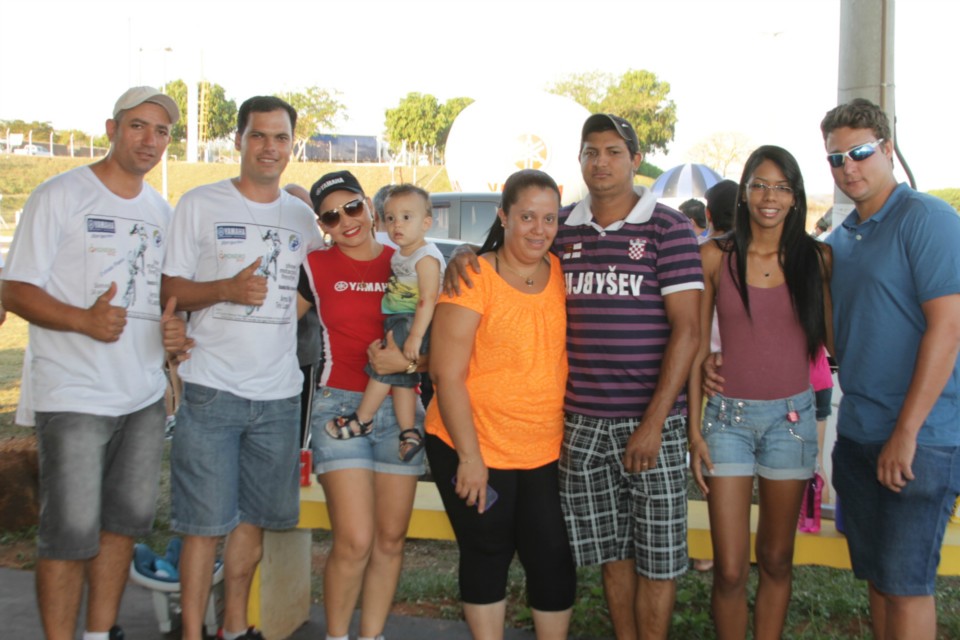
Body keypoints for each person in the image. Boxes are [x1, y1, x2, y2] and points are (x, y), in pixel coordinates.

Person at [447, 113, 703, 640]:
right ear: (580, 160)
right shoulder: (562, 226)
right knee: (611, 555)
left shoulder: (669, 227)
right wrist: (466, 257)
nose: (602, 162)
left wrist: (653, 424)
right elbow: (511, 252)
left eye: (614, 151)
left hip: (651, 424)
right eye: (591, 151)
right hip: (581, 426)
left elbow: (689, 331)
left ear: (636, 159)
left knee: (658, 559)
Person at [0, 86, 189, 640]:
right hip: (75, 393)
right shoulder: (61, 195)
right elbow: (15, 289)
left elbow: (160, 299)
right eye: (137, 126)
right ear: (111, 129)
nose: (149, 140)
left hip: (142, 396)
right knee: (68, 533)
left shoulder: (162, 212)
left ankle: (98, 633)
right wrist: (83, 320)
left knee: (122, 528)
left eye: (161, 131)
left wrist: (173, 332)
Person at [161, 95, 324, 640]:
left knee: (253, 521)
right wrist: (226, 290)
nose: (270, 148)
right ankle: (191, 631)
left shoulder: (303, 218)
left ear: (292, 145)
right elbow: (170, 289)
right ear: (238, 140)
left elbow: (340, 270)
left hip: (279, 396)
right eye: (259, 136)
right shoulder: (200, 204)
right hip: (211, 390)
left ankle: (234, 626)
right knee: (202, 526)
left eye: (281, 138)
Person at [821, 98, 960, 640]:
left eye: (859, 152)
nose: (848, 167)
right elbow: (835, 335)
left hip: (919, 440)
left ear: (887, 149)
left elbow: (947, 330)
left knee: (907, 588)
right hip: (858, 433)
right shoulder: (842, 238)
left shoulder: (927, 219)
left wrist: (906, 433)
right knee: (879, 582)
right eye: (836, 158)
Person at [687, 145, 832, 640]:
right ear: (745, 192)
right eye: (760, 185)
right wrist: (693, 430)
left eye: (782, 187)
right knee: (728, 568)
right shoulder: (715, 257)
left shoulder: (817, 259)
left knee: (775, 558)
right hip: (726, 421)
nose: (770, 196)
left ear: (796, 197)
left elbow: (835, 339)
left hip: (790, 424)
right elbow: (693, 345)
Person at [426, 169, 576, 639]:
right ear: (503, 216)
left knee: (551, 556)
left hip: (542, 446)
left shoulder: (561, 273)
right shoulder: (473, 275)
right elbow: (445, 374)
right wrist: (470, 458)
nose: (538, 229)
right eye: (527, 216)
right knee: (487, 553)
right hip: (472, 444)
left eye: (549, 218)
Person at [299, 170, 427, 640]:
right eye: (330, 217)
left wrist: (414, 359)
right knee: (354, 540)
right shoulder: (313, 267)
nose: (346, 221)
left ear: (369, 206)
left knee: (391, 539)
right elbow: (271, 327)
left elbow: (445, 337)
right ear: (323, 226)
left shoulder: (408, 261)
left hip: (402, 407)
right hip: (338, 407)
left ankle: (371, 635)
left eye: (352, 207)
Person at [324, 184, 444, 462]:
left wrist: (415, 336)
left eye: (406, 217)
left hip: (411, 321)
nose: (396, 225)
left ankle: (362, 418)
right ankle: (409, 432)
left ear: (426, 223)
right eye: (390, 218)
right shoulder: (403, 253)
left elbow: (427, 299)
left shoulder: (425, 257)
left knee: (385, 371)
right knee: (402, 381)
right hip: (400, 319)